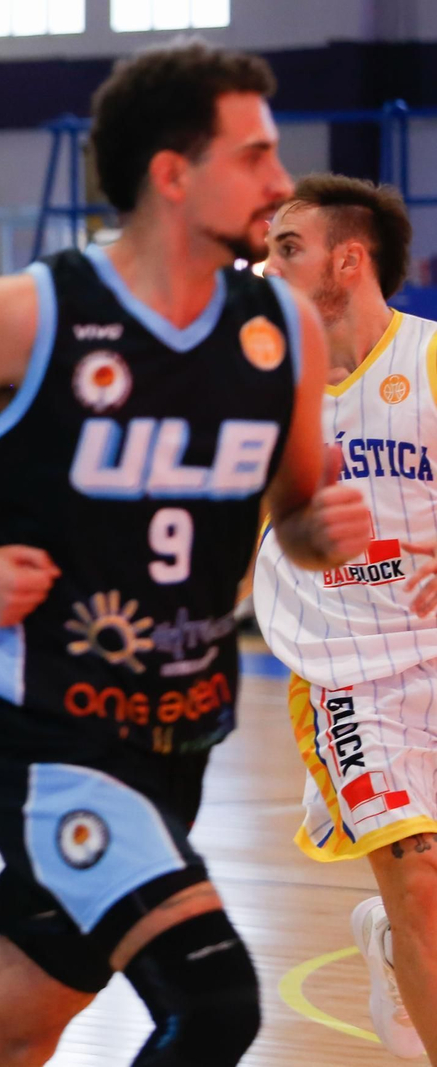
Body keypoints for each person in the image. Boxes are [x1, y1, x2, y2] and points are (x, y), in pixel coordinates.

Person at [0, 41, 371, 1066]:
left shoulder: (278, 327)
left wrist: (315, 528)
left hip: (176, 733)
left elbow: (291, 510)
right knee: (213, 1002)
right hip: (37, 736)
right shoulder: (27, 315)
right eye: (252, 155)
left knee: (10, 1025)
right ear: (171, 172)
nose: (281, 181)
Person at [253, 173, 435, 1059]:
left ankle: (390, 946)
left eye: (288, 246)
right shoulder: (262, 388)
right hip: (343, 663)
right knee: (421, 879)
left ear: (348, 259)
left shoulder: (429, 360)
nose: (268, 261)